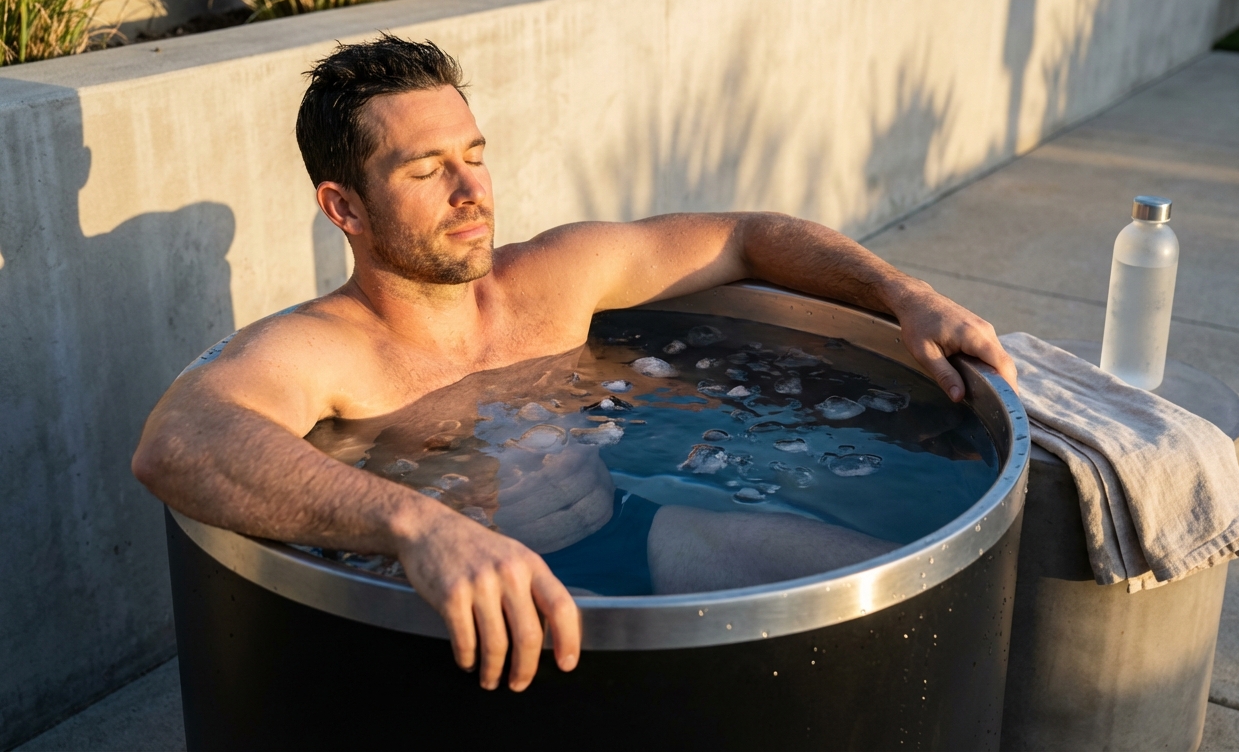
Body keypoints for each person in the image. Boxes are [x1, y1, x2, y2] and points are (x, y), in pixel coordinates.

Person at [132, 35, 1018, 695]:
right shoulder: (326, 347)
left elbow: (747, 238)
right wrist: (421, 526)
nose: (472, 191)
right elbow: (179, 441)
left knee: (889, 606)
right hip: (463, 617)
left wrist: (903, 294)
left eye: (475, 156)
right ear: (345, 207)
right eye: (427, 170)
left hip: (629, 527)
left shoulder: (551, 279)